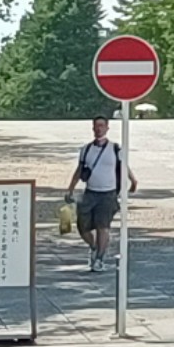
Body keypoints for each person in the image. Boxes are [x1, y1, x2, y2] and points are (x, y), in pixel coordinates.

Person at [64, 116, 137, 273]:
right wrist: (70, 188)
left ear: (107, 128)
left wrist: (133, 181)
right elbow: (79, 170)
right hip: (90, 192)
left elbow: (124, 167)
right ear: (92, 128)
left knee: (103, 227)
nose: (98, 129)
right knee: (82, 226)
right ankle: (94, 246)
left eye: (102, 126)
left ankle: (99, 259)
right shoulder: (86, 149)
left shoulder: (115, 149)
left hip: (108, 194)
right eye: (96, 126)